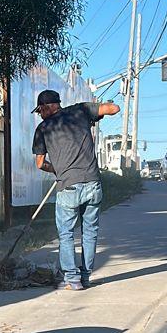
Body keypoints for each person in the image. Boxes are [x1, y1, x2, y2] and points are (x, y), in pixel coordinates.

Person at [31, 88, 121, 291]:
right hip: (92, 184)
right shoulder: (81, 111)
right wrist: (100, 111)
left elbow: (40, 164)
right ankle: (85, 276)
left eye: (40, 111)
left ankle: (72, 279)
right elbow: (114, 108)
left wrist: (57, 170)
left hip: (68, 186)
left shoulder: (43, 129)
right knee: (90, 233)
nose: (40, 115)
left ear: (48, 107)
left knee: (66, 234)